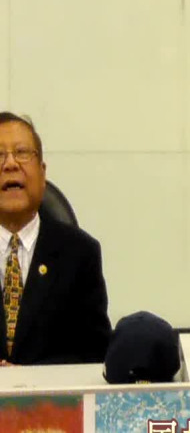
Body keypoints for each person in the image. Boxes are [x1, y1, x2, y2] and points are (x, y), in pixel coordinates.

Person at [0, 112, 111, 365]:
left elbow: (94, 352)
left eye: (22, 152)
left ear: (42, 173)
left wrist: (29, 377)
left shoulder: (80, 254)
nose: (10, 164)